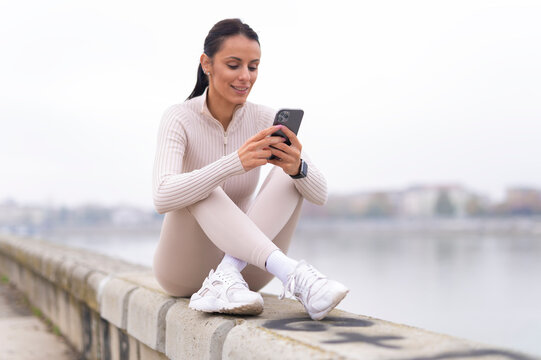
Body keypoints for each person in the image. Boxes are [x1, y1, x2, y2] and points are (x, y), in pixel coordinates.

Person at [152, 18, 349, 321]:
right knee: (202, 184)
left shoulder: (264, 118)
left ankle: (228, 271)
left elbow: (320, 194)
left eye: (253, 67)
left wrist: (297, 167)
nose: (245, 77)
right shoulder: (179, 118)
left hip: (247, 272)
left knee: (290, 173)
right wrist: (235, 163)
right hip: (182, 271)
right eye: (234, 65)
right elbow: (162, 196)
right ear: (207, 64)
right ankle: (293, 274)